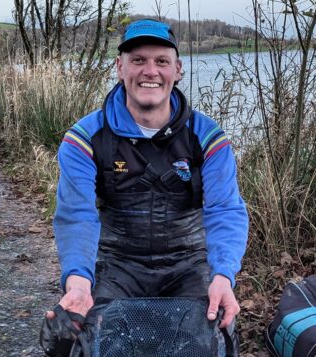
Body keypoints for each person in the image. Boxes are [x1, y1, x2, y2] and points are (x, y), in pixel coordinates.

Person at [47, 19, 248, 331]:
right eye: (138, 60)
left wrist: (222, 275)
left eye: (162, 61)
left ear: (177, 70)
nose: (150, 71)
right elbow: (77, 215)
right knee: (77, 332)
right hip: (117, 263)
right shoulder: (84, 138)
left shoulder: (208, 137)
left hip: (189, 263)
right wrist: (78, 280)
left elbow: (225, 209)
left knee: (211, 333)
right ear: (120, 67)